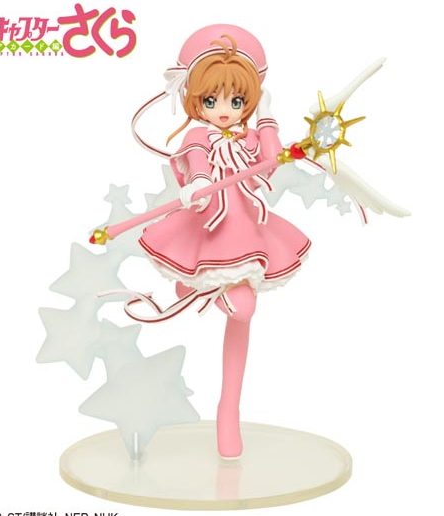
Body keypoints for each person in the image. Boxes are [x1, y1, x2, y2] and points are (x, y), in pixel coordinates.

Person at [128, 24, 314, 459]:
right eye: (211, 101)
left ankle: (229, 409)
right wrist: (197, 182)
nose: (224, 111)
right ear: (196, 99)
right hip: (208, 228)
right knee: (239, 306)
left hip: (248, 231)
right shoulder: (198, 135)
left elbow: (271, 161)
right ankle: (195, 285)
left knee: (243, 312)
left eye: (237, 100)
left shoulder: (251, 135)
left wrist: (266, 117)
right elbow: (195, 162)